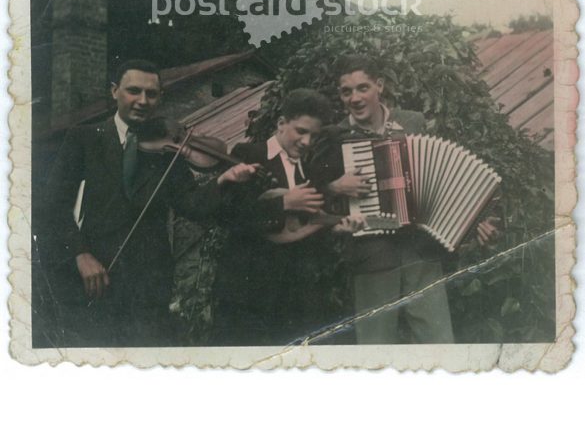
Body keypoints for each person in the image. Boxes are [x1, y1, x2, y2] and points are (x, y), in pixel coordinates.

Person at [42, 59, 257, 347]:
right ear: (114, 91)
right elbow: (52, 207)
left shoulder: (168, 149)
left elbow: (192, 205)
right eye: (133, 91)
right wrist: (80, 254)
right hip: (93, 275)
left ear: (160, 97)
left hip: (149, 283)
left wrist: (224, 180)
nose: (143, 101)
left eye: (152, 94)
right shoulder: (84, 139)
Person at [310, 55, 498, 344]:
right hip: (371, 255)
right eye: (346, 91)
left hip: (420, 251)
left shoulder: (412, 122)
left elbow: (442, 177)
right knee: (375, 346)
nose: (355, 98)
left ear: (379, 86)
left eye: (363, 88)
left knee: (439, 343)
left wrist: (476, 221)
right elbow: (311, 194)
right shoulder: (336, 137)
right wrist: (335, 186)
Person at [213, 88, 363, 346]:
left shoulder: (312, 165)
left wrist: (335, 229)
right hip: (251, 291)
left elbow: (304, 224)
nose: (306, 142)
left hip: (297, 294)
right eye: (300, 131)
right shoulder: (248, 154)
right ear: (281, 123)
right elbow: (231, 217)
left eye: (313, 136)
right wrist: (284, 202)